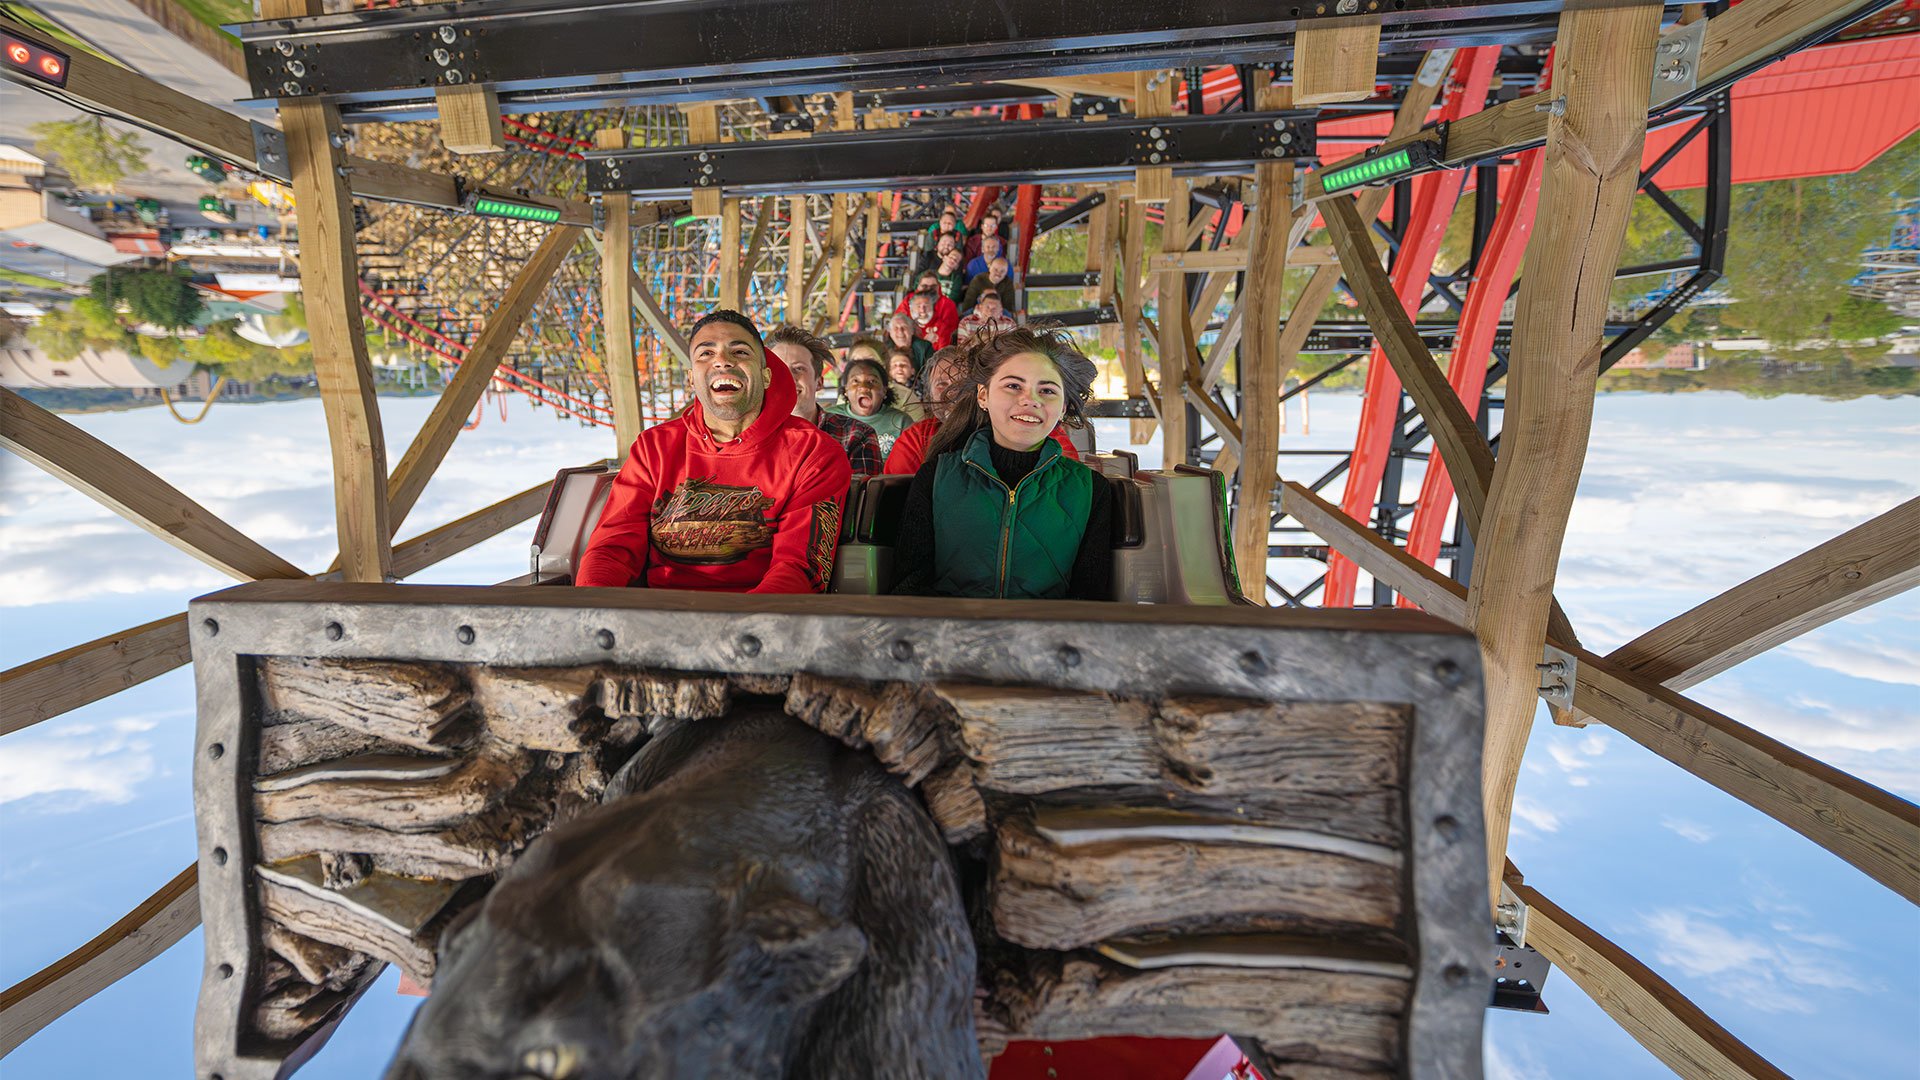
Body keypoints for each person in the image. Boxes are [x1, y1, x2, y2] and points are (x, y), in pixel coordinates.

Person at [576, 310, 851, 593]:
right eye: (705, 354)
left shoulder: (814, 453)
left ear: (766, 376)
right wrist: (591, 607)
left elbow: (798, 568)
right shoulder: (653, 448)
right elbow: (612, 548)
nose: (722, 360)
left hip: (763, 620)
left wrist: (731, 629)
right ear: (692, 379)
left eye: (740, 351)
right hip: (658, 617)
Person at [888, 328, 1112, 600]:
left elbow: (1089, 601)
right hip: (950, 637)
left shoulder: (1090, 490)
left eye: (1048, 390)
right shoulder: (936, 478)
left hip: (1047, 641)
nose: (1030, 400)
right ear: (983, 396)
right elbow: (909, 589)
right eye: (1013, 386)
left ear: (1063, 407)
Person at [885, 341, 1078, 474]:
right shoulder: (915, 439)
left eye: (962, 383)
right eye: (942, 384)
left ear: (981, 392)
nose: (952, 392)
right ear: (928, 394)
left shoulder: (1029, 429)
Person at [767, 323, 883, 477]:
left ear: (819, 383)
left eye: (799, 369)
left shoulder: (857, 435)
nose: (788, 377)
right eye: (779, 368)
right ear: (766, 379)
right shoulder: (745, 434)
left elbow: (861, 500)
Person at [825, 354, 916, 455]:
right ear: (846, 389)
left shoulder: (901, 422)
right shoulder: (829, 418)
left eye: (872, 381)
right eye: (855, 381)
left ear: (884, 390)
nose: (864, 387)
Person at [910, 271, 960, 347]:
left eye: (933, 287)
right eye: (925, 286)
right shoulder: (908, 301)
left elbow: (949, 335)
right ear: (918, 286)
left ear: (938, 286)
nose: (929, 289)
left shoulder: (948, 305)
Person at [884, 346, 928, 420]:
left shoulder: (925, 387)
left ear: (912, 370)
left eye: (903, 365)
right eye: (895, 365)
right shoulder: (886, 390)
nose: (899, 368)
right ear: (890, 372)